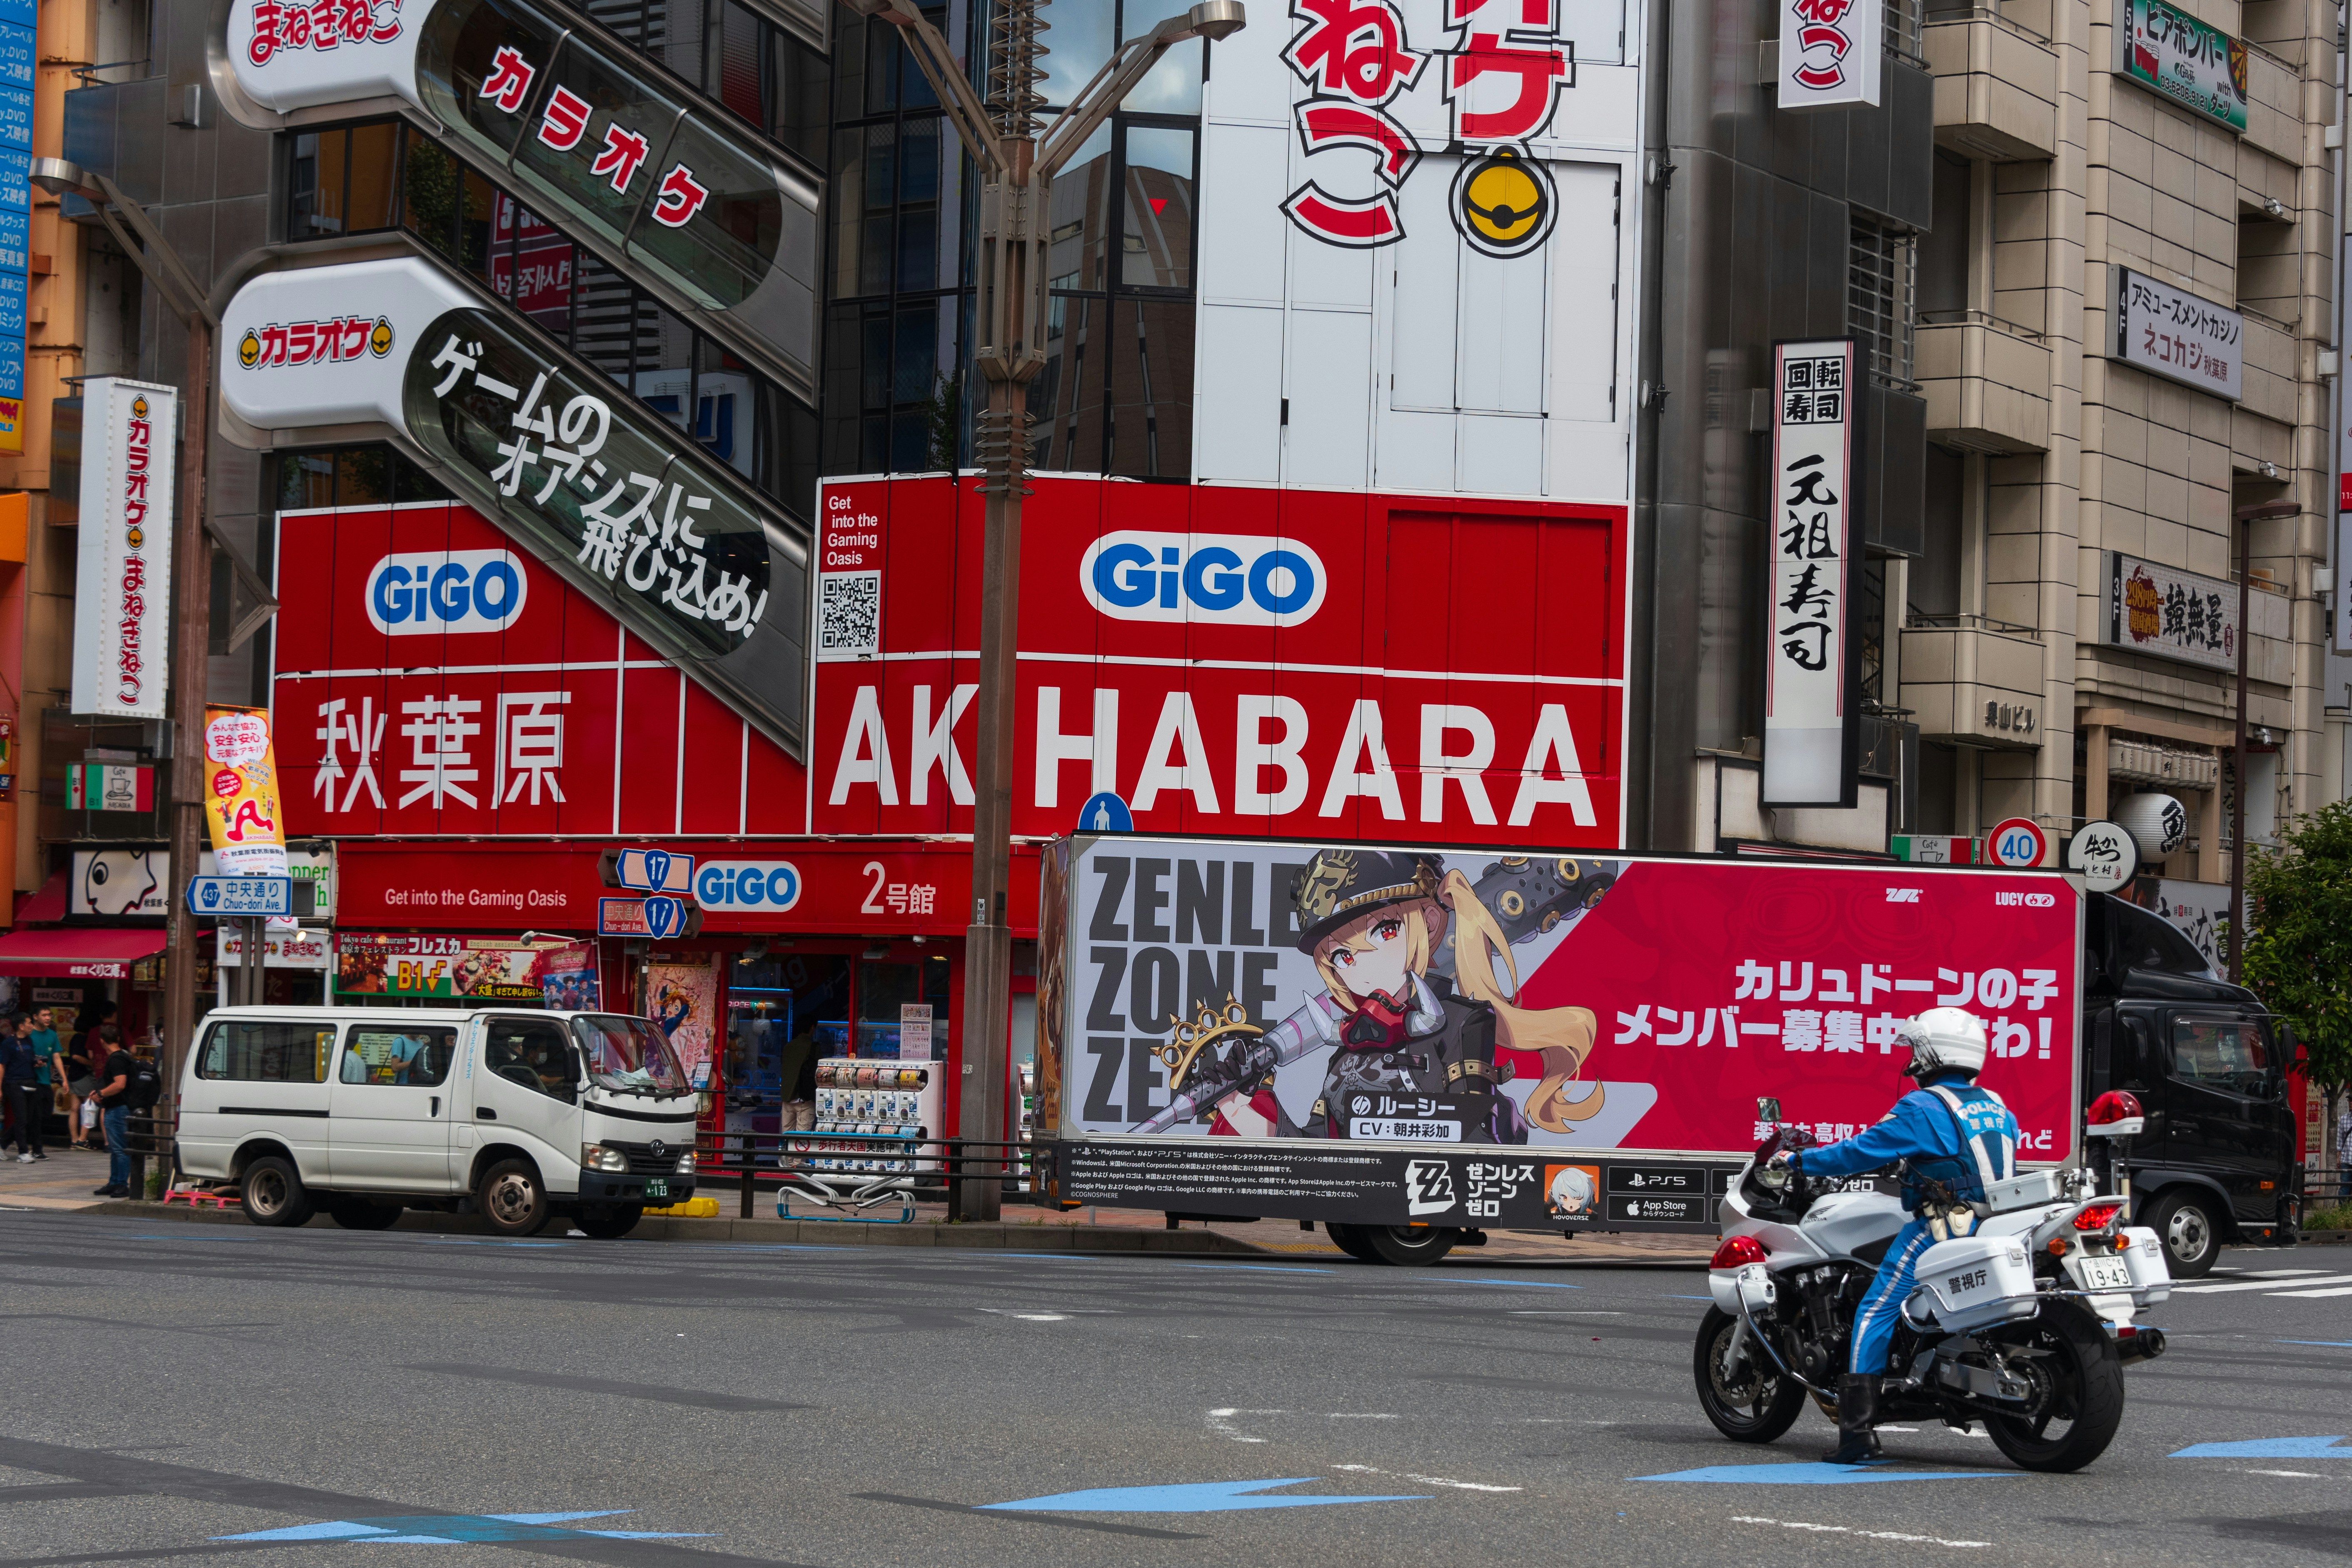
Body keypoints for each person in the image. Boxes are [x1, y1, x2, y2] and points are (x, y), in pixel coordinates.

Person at [1766, 1006, 2020, 1465]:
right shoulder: (1996, 1104)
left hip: (1942, 1226)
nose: (1912, 1061)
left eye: (1916, 1052)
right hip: (1997, 1223)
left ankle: (1856, 1433)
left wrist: (1799, 1162)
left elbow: (1858, 1151)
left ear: (1931, 1052)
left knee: (1875, 1308)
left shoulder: (1923, 1106)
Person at [89, 1024, 134, 1198]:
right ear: (117, 1039)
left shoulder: (116, 1059)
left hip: (117, 1109)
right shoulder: (124, 1056)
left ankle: (122, 1184)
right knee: (116, 1149)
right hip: (118, 1108)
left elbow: (120, 1084)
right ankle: (115, 1182)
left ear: (102, 1042)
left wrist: (101, 1093)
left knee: (120, 1149)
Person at [0, 1013, 42, 1162]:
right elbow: (2, 1065)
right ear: (21, 1026)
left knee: (26, 1119)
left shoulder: (29, 1041)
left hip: (30, 1083)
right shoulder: (8, 1043)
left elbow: (28, 1059)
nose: (32, 1025)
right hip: (14, 1084)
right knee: (22, 1118)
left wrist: (37, 1063)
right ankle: (23, 1152)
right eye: (29, 1023)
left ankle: (2, 1144)